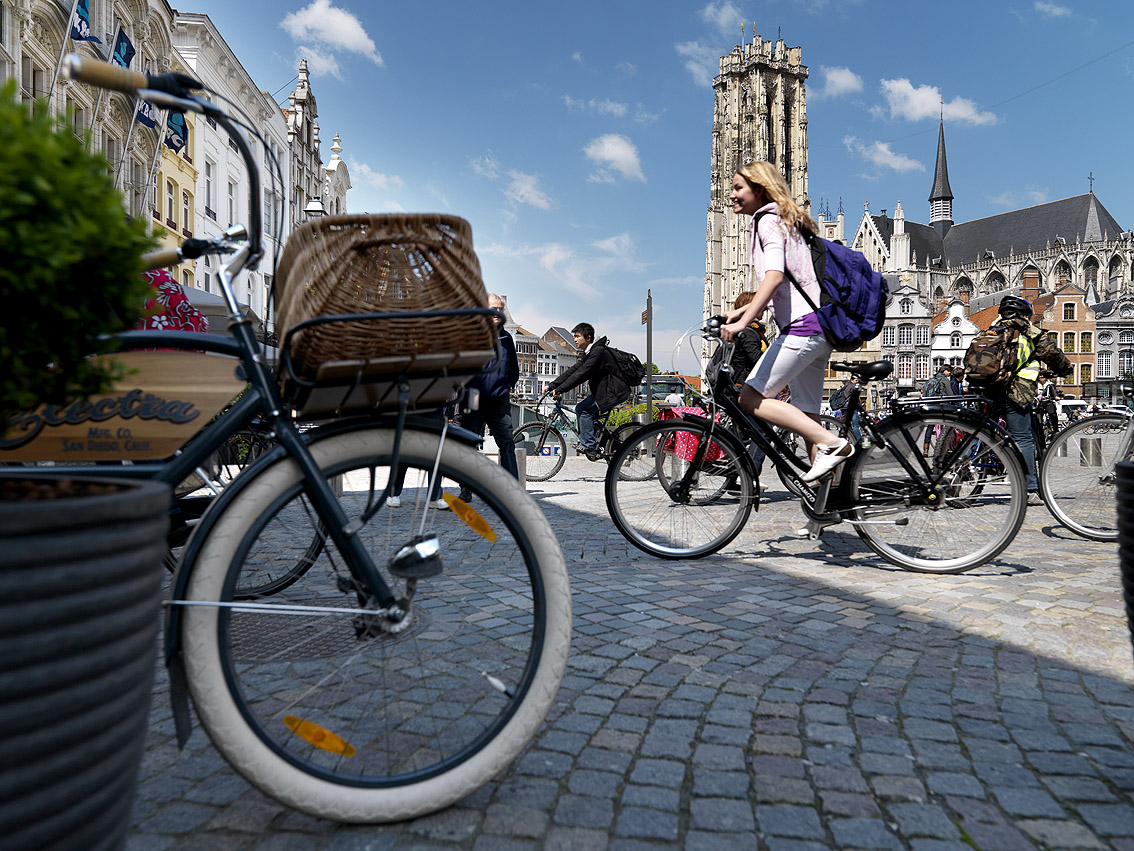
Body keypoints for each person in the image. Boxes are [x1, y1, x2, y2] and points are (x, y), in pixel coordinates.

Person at [719, 161, 852, 483]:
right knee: (807, 419)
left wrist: (742, 323)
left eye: (738, 188)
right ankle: (828, 503)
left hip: (803, 328)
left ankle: (836, 444)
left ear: (759, 189)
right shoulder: (786, 219)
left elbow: (775, 276)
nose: (732, 195)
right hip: (820, 327)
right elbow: (795, 282)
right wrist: (741, 312)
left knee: (750, 398)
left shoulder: (767, 220)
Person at [980, 294, 1072, 506]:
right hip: (1016, 391)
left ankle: (954, 475)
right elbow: (1051, 353)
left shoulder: (991, 329)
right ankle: (1030, 489)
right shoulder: (1027, 330)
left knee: (977, 430)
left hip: (988, 389)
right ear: (1024, 315)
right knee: (1022, 439)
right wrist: (1066, 369)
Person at [455, 293, 520, 501]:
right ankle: (466, 489)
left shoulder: (506, 338)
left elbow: (514, 370)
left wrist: (507, 386)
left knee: (507, 443)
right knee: (470, 444)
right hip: (474, 398)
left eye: (501, 309)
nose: (498, 312)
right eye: (494, 308)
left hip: (499, 399)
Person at [547, 322, 631, 461]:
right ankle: (604, 444)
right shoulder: (590, 353)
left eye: (578, 336)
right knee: (590, 417)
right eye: (574, 336)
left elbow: (582, 374)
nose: (575, 339)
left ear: (588, 338)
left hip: (614, 393)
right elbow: (574, 370)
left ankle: (589, 446)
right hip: (606, 392)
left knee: (582, 409)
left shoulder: (598, 352)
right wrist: (553, 385)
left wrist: (560, 389)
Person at [1035, 370, 1060, 436]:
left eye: (1043, 376)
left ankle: (1056, 429)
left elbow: (1054, 392)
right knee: (1037, 418)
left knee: (1053, 414)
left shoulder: (1050, 385)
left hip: (1047, 402)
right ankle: (1038, 429)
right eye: (1040, 376)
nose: (1041, 377)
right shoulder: (1035, 384)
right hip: (1039, 403)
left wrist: (1056, 396)